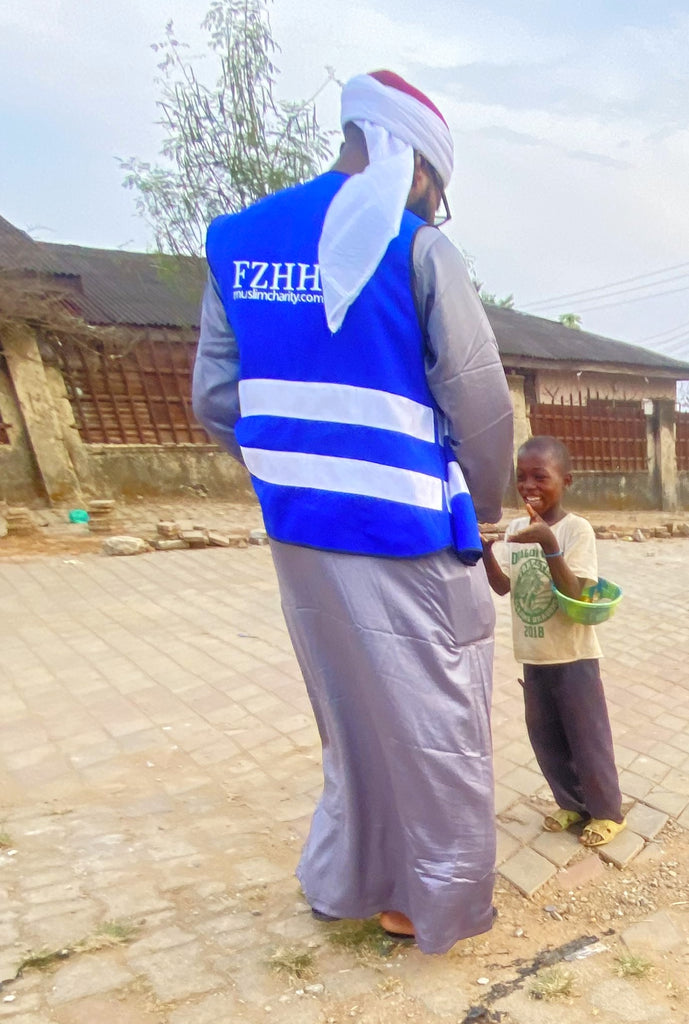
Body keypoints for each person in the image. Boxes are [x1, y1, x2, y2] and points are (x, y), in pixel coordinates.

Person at [192, 69, 514, 954]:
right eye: (435, 194)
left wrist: (298, 471)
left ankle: (345, 880)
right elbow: (481, 407)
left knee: (351, 716)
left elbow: (216, 398)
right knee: (435, 725)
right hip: (406, 535)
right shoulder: (417, 251)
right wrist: (482, 515)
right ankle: (427, 902)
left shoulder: (236, 240)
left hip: (300, 535)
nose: (432, 209)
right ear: (415, 168)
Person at [481, 436, 626, 847]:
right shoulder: (514, 528)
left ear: (566, 480)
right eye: (521, 477)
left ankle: (607, 813)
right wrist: (487, 552)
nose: (529, 486)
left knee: (586, 736)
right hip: (533, 654)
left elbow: (577, 594)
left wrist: (548, 544)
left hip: (573, 655)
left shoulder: (576, 530)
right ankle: (571, 804)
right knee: (546, 736)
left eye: (540, 477)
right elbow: (504, 588)